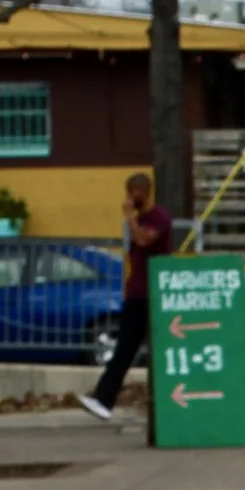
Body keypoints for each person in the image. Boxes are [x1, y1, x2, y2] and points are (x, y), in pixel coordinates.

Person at [76, 172, 174, 421]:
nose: (130, 197)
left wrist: (130, 217)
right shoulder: (140, 219)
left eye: (134, 192)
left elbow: (143, 240)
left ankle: (106, 399)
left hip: (151, 293)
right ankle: (103, 399)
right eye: (128, 192)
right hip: (136, 293)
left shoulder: (158, 217)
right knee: (126, 349)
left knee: (137, 348)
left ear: (145, 191)